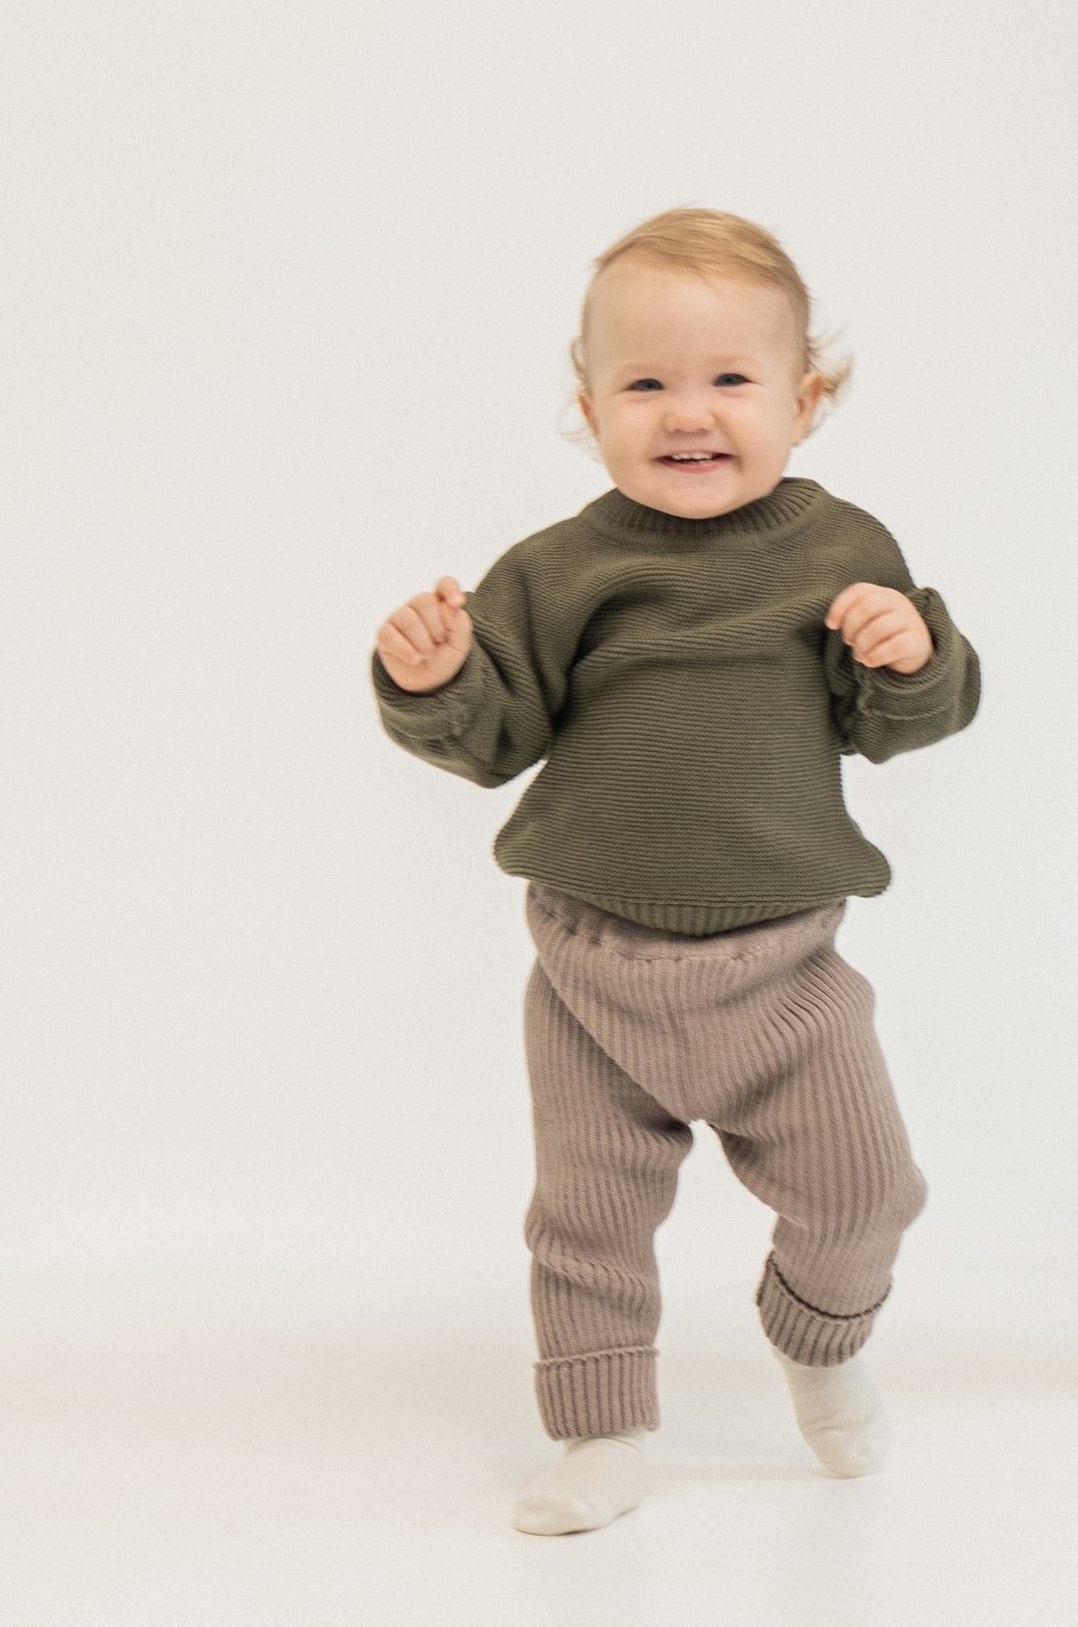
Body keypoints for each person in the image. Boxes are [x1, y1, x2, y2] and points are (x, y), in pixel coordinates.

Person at [372, 207, 980, 1532]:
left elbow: (903, 725)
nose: (687, 413)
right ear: (587, 405)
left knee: (869, 1184)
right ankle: (600, 1431)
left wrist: (909, 653)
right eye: (645, 382)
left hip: (785, 970)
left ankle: (820, 1341)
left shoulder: (838, 551)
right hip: (593, 971)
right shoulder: (558, 570)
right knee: (585, 1221)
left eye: (729, 380)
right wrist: (434, 681)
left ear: (805, 401)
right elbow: (492, 740)